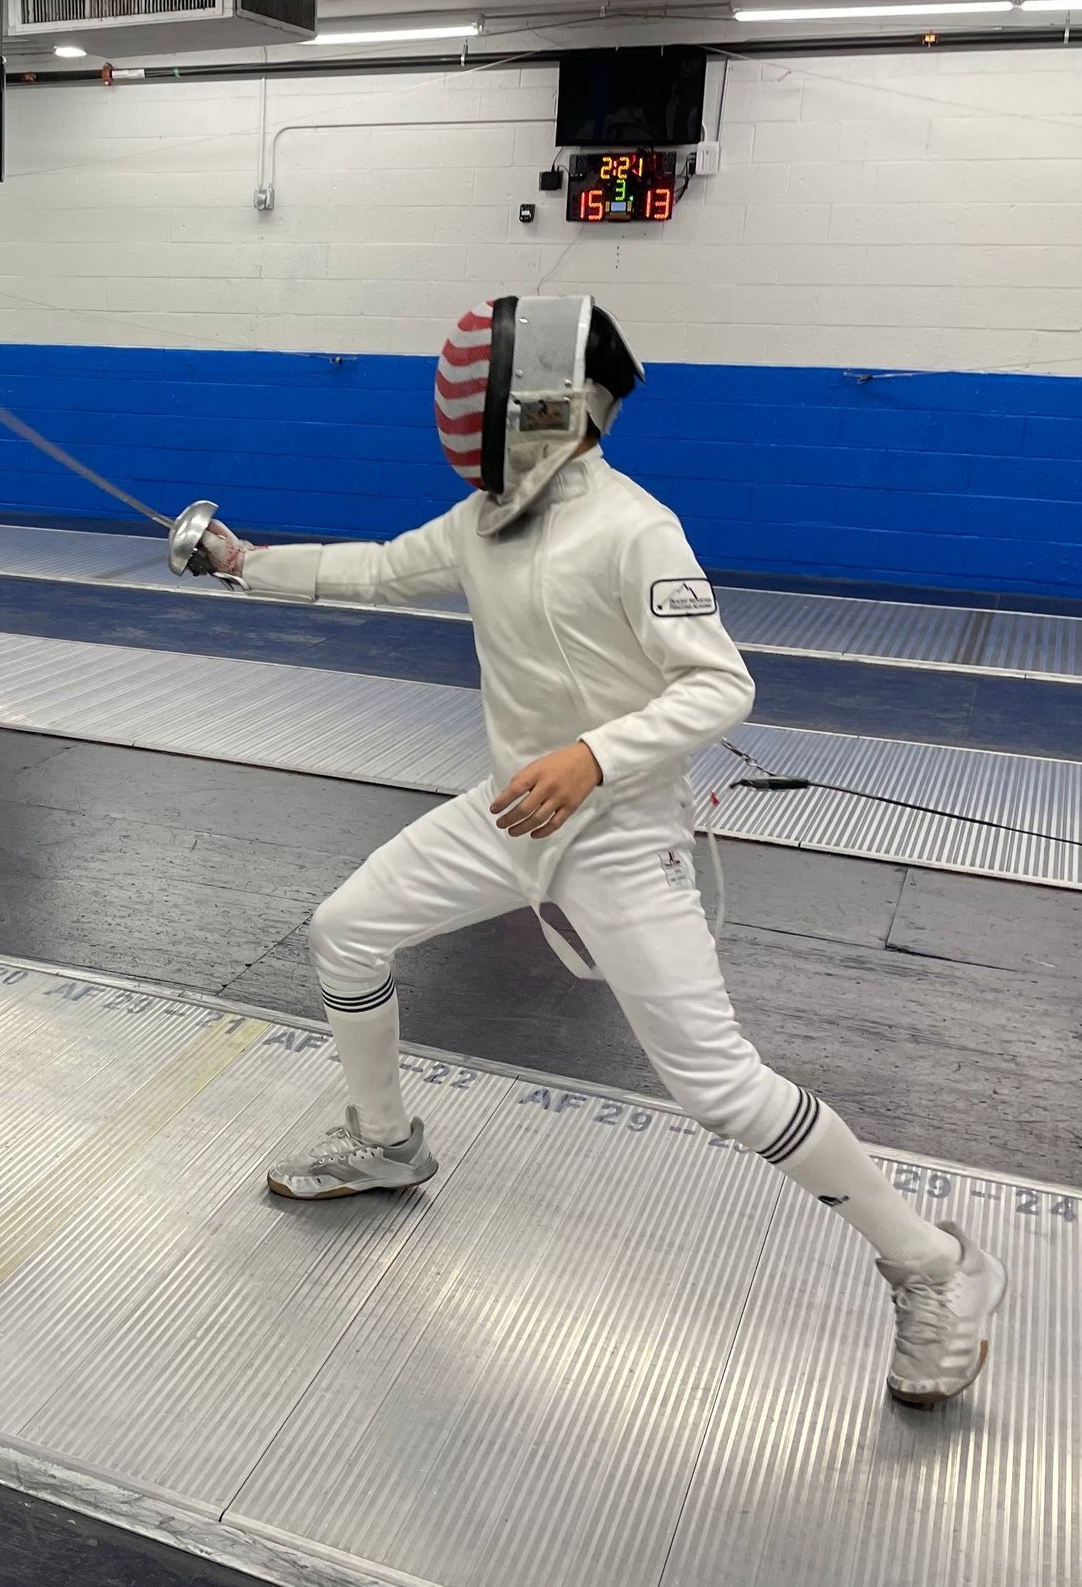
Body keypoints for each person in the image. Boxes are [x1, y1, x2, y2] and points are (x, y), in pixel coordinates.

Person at [178, 295, 1005, 1408]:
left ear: (544, 409)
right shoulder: (485, 520)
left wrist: (592, 758)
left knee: (719, 1087)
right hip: (511, 814)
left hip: (617, 835)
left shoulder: (634, 528)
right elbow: (375, 569)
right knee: (346, 932)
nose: (459, 420)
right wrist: (241, 561)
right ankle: (384, 1141)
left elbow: (719, 684)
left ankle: (934, 1266)